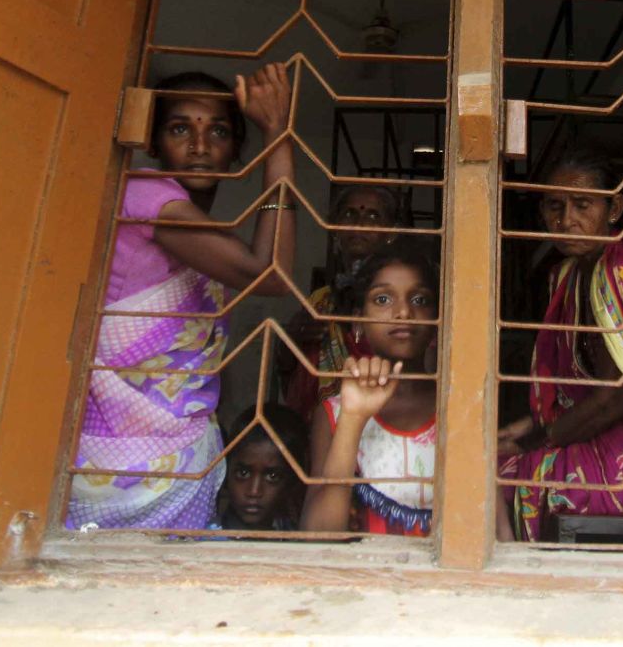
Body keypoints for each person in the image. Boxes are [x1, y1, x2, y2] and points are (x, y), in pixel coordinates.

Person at [67, 64, 295, 531]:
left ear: (235, 151)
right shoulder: (146, 193)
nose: (199, 146)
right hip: (114, 469)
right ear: (152, 144)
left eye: (217, 132)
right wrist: (278, 135)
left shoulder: (205, 235)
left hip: (182, 462)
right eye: (179, 129)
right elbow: (269, 273)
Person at [496, 144, 623, 542]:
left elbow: (616, 399)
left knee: (496, 477)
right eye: (554, 207)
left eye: (582, 205)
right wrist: (524, 429)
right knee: (493, 451)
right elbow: (580, 392)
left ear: (614, 209)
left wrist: (538, 439)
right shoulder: (572, 274)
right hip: (598, 430)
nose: (567, 220)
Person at [301, 239, 438, 537]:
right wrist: (353, 417)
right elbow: (318, 533)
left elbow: (496, 528)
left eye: (420, 300)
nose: (403, 312)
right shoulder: (334, 412)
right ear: (358, 321)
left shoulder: (458, 407)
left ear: (438, 321)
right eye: (382, 300)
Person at [281, 185, 406, 424]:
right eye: (349, 214)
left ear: (391, 233)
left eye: (373, 216)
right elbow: (288, 368)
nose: (359, 223)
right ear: (334, 228)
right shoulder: (321, 300)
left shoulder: (400, 299)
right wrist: (294, 337)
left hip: (382, 420)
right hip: (323, 424)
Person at [211, 404, 309, 532]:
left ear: (292, 481)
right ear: (226, 473)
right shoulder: (207, 538)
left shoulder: (294, 536)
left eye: (272, 477)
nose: (254, 491)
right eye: (243, 473)